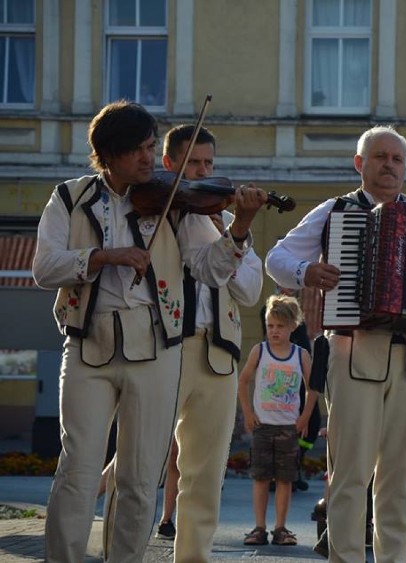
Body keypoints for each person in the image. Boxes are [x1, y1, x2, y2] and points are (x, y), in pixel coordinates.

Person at [32, 100, 267, 563]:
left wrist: (239, 228)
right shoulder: (70, 197)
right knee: (78, 470)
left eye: (149, 147)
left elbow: (213, 269)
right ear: (110, 153)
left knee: (140, 479)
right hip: (88, 344)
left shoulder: (174, 202)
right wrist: (101, 258)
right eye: (139, 149)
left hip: (158, 348)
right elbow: (44, 268)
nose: (148, 157)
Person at [265, 125, 406, 562]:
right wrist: (308, 274)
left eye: (397, 159)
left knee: (399, 477)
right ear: (360, 164)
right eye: (380, 157)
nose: (389, 166)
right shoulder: (335, 211)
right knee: (350, 475)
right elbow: (277, 259)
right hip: (354, 352)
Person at [153, 125, 263, 558]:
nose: (203, 172)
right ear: (169, 164)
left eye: (209, 163)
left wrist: (230, 236)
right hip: (166, 344)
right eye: (193, 163)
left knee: (206, 473)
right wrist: (227, 246)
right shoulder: (164, 211)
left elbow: (251, 290)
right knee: (141, 466)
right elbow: (210, 270)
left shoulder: (224, 221)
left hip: (219, 350)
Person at [237, 294, 319, 546]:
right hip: (262, 426)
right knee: (260, 478)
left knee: (285, 479)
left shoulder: (300, 355)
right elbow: (243, 381)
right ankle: (259, 527)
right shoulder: (259, 351)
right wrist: (248, 413)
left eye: (280, 326)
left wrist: (304, 417)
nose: (274, 331)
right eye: (270, 325)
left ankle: (280, 528)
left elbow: (312, 388)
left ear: (292, 326)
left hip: (288, 427)